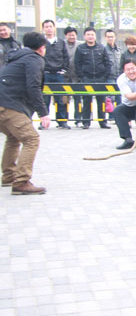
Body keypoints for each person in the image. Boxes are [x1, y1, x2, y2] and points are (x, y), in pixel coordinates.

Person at [0, 32, 51, 195]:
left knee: (13, 137)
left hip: (4, 103)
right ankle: (21, 182)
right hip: (9, 105)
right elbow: (33, 86)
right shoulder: (34, 59)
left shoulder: (15, 57)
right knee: (31, 139)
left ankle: (8, 176)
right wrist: (43, 113)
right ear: (42, 48)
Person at [74, 27, 111, 129]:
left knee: (101, 101)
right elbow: (77, 63)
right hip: (87, 78)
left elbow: (107, 62)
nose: (90, 37)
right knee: (86, 101)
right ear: (84, 36)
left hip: (100, 77)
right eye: (88, 35)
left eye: (92, 35)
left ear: (95, 36)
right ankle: (86, 122)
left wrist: (105, 76)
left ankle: (102, 122)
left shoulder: (101, 48)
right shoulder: (80, 48)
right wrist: (82, 76)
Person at [41, 19, 71, 129]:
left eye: (50, 26)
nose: (49, 29)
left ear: (54, 28)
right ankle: (43, 122)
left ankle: (62, 121)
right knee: (45, 100)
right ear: (43, 29)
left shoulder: (61, 42)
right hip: (46, 74)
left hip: (59, 74)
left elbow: (66, 57)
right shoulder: (41, 42)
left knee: (60, 99)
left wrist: (64, 70)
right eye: (46, 27)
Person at [63, 26, 81, 123]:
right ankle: (64, 119)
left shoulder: (80, 45)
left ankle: (78, 118)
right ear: (66, 35)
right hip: (65, 76)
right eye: (69, 35)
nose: (71, 37)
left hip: (76, 76)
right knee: (64, 99)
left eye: (73, 35)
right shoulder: (62, 45)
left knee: (77, 98)